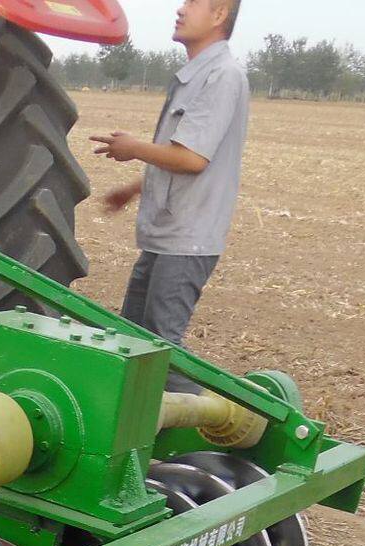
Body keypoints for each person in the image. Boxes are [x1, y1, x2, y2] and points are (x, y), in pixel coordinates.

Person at [91, 0, 249, 389]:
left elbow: (192, 159)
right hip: (167, 235)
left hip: (188, 240)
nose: (180, 9)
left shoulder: (222, 76)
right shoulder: (194, 76)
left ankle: (214, 429)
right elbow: (185, 154)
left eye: (193, 3)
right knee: (132, 344)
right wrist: (134, 188)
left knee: (163, 355)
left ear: (219, 16)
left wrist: (134, 148)